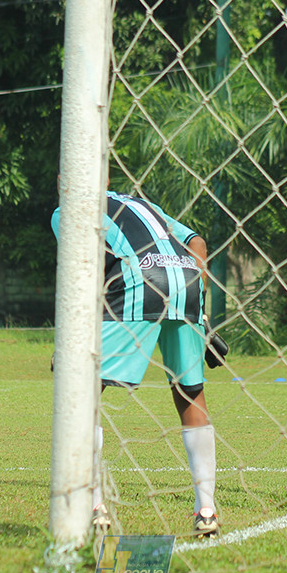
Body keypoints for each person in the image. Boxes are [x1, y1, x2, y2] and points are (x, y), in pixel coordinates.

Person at [51, 190, 219, 538]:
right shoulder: (142, 204)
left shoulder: (66, 210)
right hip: (187, 284)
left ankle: (93, 505)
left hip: (139, 285)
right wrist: (202, 310)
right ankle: (206, 510)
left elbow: (83, 271)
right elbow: (197, 243)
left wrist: (69, 339)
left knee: (83, 390)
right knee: (189, 393)